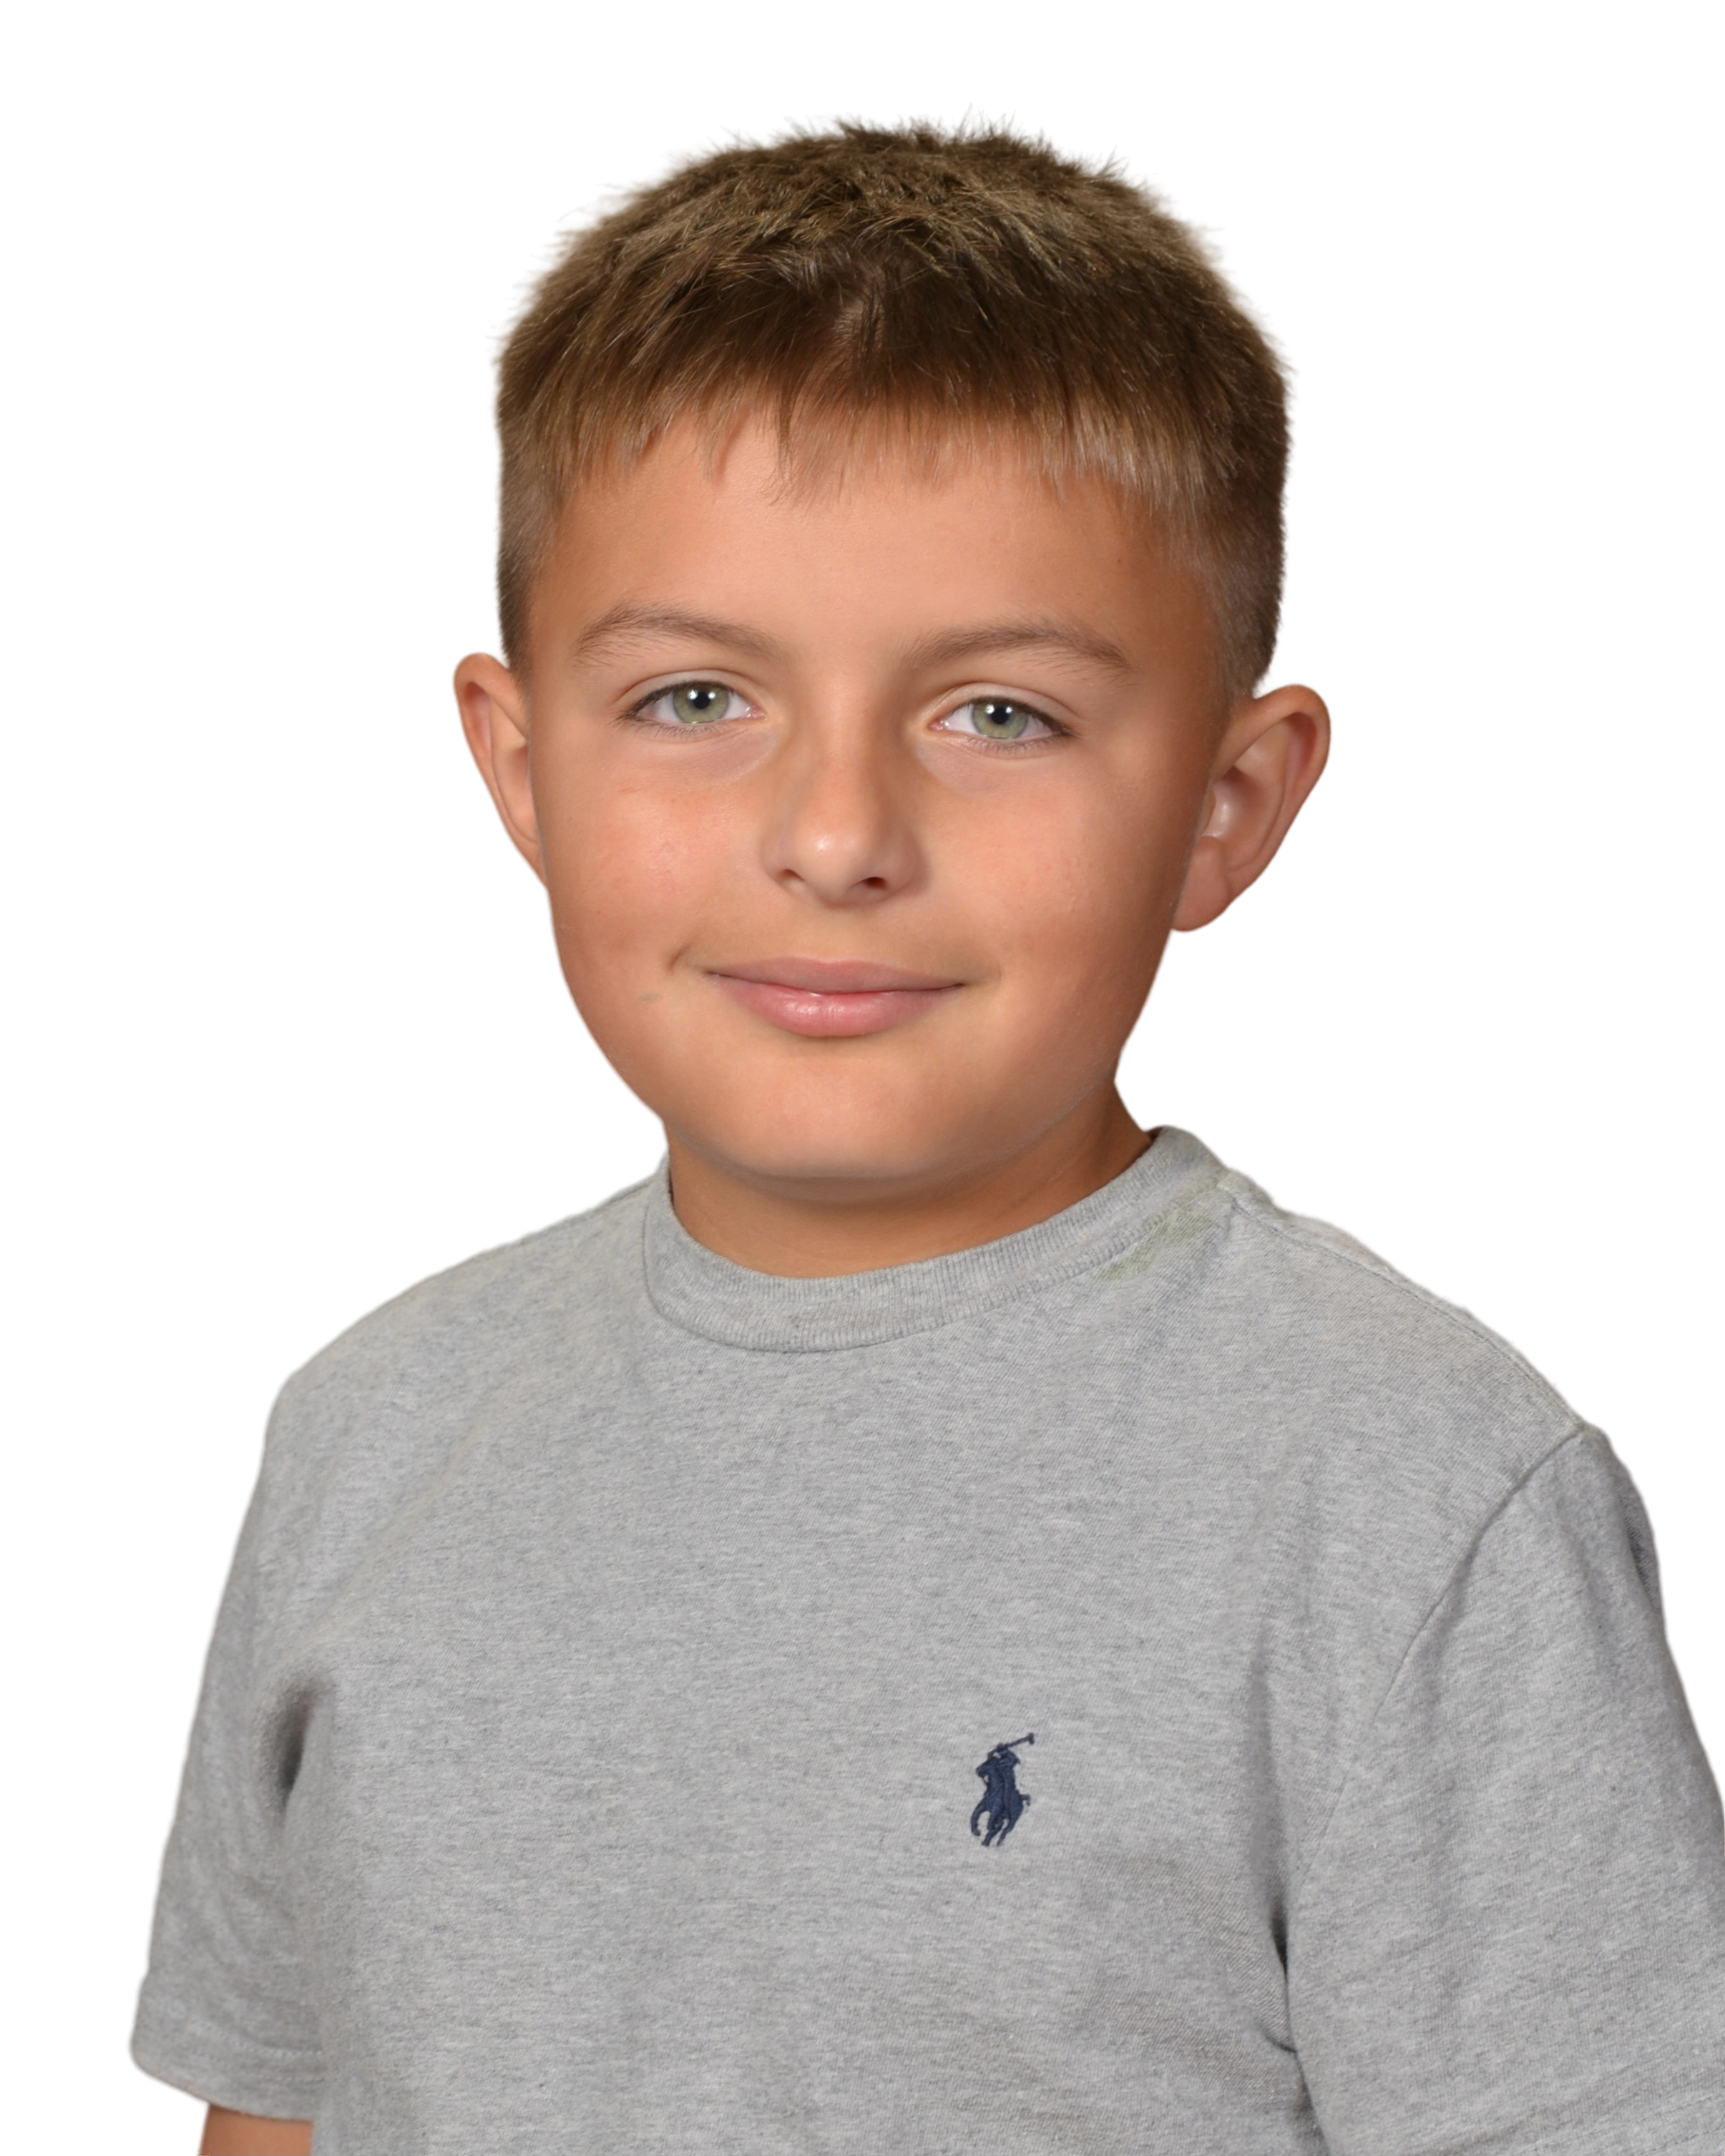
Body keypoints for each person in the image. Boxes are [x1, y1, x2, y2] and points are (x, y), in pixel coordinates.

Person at [123, 105, 1724, 2155]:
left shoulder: (1414, 1494)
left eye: (999, 713)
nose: (836, 837)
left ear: (1227, 805)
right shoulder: (363, 1429)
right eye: (697, 699)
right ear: (520, 771)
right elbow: (280, 2112)